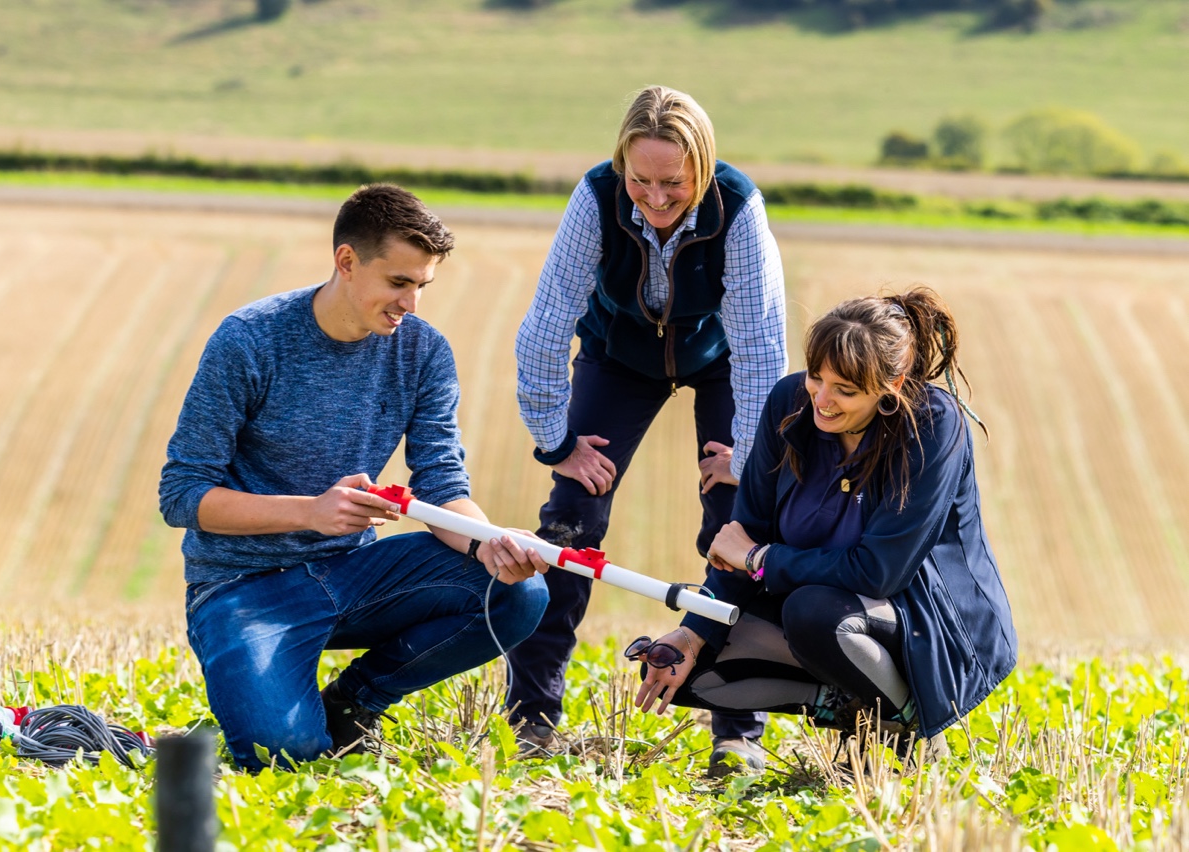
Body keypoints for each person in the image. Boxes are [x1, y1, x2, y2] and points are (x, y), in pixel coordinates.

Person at [158, 184, 551, 773]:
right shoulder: (250, 340)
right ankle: (282, 712)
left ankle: (356, 702)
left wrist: (490, 543)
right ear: (347, 261)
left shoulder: (423, 353)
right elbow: (182, 494)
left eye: (422, 286)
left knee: (516, 593)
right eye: (398, 283)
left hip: (351, 575)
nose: (411, 304)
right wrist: (309, 512)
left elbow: (442, 483)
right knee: (284, 756)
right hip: (241, 589)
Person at [508, 85, 787, 774]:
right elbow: (546, 324)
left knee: (735, 526)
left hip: (719, 359)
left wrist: (749, 458)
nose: (656, 199)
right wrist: (557, 441)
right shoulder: (596, 198)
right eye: (641, 180)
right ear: (621, 166)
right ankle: (533, 717)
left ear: (703, 169)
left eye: (674, 183)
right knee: (571, 520)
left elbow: (760, 346)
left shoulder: (738, 208)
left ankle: (736, 734)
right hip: (618, 355)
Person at [630, 289, 1017, 767]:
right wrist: (692, 633)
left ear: (891, 385)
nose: (823, 400)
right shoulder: (789, 402)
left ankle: (909, 728)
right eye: (817, 378)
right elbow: (745, 532)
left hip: (922, 620)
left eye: (846, 391)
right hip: (824, 603)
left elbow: (878, 572)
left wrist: (760, 559)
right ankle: (854, 710)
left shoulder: (934, 425)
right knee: (691, 668)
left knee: (812, 611)